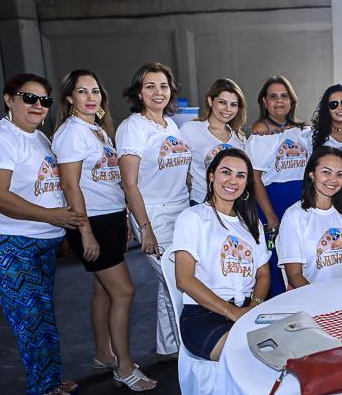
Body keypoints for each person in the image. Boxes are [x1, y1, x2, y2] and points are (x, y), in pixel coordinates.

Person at [0, 73, 84, 395]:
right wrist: (51, 217)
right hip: (7, 243)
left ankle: (52, 376)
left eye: (44, 100)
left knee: (42, 312)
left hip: (42, 241)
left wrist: (58, 225)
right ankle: (42, 386)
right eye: (29, 98)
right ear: (9, 99)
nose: (38, 105)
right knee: (29, 316)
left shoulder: (40, 139)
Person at [52, 69, 156, 391]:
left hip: (110, 219)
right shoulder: (71, 133)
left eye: (95, 91)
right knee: (124, 291)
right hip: (91, 222)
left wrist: (123, 217)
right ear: (70, 97)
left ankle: (103, 355)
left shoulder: (97, 129)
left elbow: (108, 181)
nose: (90, 97)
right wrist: (85, 232)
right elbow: (70, 185)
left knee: (103, 291)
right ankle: (124, 366)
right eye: (82, 91)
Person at [118, 62, 191, 360]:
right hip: (153, 214)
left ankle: (169, 346)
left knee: (168, 283)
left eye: (163, 86)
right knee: (177, 283)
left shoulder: (170, 125)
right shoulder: (132, 127)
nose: (158, 92)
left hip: (180, 210)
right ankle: (188, 352)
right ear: (139, 92)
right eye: (150, 86)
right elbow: (129, 183)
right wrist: (145, 228)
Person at [171, 148, 270, 361]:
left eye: (240, 176)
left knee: (286, 346)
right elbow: (184, 279)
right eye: (226, 172)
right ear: (211, 175)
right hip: (204, 314)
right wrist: (231, 312)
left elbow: (263, 273)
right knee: (248, 357)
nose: (232, 181)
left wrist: (253, 307)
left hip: (246, 308)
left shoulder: (252, 223)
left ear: (246, 183)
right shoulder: (192, 217)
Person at [277, 146, 342, 287]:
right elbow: (294, 274)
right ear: (312, 174)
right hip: (314, 296)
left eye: (340, 174)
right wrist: (319, 298)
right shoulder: (294, 216)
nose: (333, 180)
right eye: (326, 172)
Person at [245, 75, 309, 296]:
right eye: (273, 96)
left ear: (292, 100)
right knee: (276, 258)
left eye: (284, 96)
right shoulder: (260, 134)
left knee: (301, 255)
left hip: (301, 199)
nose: (279, 101)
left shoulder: (302, 130)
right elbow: (254, 177)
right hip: (273, 201)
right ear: (265, 101)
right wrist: (270, 215)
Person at [181, 78, 248, 205]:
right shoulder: (190, 129)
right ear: (210, 101)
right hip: (201, 202)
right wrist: (197, 182)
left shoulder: (240, 138)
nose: (228, 109)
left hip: (232, 206)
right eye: (222, 102)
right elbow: (178, 170)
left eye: (233, 104)